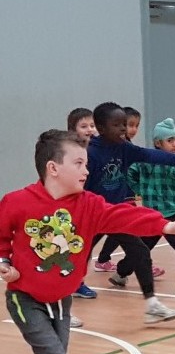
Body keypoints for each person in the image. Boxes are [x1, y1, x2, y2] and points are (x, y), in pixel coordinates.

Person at [0, 130, 175, 354]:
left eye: (86, 163)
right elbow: (2, 239)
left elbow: (124, 216)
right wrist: (4, 264)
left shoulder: (89, 205)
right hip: (25, 298)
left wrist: (165, 226)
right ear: (53, 168)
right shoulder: (17, 202)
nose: (86, 170)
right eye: (78, 163)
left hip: (61, 300)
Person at [85, 102, 175, 323]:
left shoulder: (124, 148)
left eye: (124, 124)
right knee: (77, 256)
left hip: (116, 214)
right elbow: (82, 188)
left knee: (140, 252)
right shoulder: (91, 153)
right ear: (101, 127)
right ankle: (60, 301)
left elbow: (152, 155)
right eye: (117, 125)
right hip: (92, 214)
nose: (123, 129)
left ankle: (152, 305)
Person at [127, 118, 175, 295]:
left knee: (141, 249)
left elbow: (130, 173)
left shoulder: (144, 161)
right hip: (168, 215)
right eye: (170, 140)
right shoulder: (169, 162)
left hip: (150, 215)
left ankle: (121, 273)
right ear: (158, 143)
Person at [94, 106, 165, 278]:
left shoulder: (127, 147)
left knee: (119, 229)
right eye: (129, 125)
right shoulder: (113, 147)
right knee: (121, 229)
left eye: (136, 125)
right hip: (118, 198)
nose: (132, 129)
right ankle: (136, 263)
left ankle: (105, 259)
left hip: (126, 196)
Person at [66, 108, 98, 306]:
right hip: (71, 207)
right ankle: (69, 284)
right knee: (71, 247)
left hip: (90, 206)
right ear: (73, 129)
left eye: (92, 126)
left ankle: (77, 282)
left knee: (84, 247)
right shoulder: (67, 152)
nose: (89, 130)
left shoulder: (97, 150)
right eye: (83, 126)